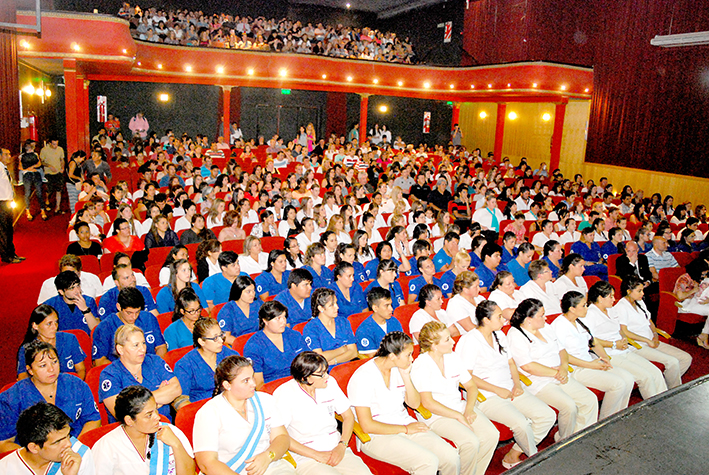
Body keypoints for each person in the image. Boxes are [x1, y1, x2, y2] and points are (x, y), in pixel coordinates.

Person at [456, 301, 555, 469]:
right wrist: (497, 390)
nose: (504, 320)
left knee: (547, 415)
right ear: (486, 320)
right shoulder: (470, 340)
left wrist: (517, 384)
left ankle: (514, 453)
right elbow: (466, 377)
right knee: (521, 424)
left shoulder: (500, 335)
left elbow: (511, 363)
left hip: (509, 388)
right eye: (499, 317)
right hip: (486, 395)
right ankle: (535, 460)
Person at [348, 332, 460, 475]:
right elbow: (367, 425)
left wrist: (406, 376)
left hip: (404, 423)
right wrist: (405, 429)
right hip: (377, 435)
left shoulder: (399, 368)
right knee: (428, 461)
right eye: (408, 355)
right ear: (393, 356)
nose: (412, 359)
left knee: (451, 456)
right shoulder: (363, 377)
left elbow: (414, 404)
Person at [411, 321, 499, 475]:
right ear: (433, 345)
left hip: (459, 407)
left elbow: (471, 387)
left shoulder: (453, 357)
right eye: (447, 340)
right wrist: (458, 415)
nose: (453, 341)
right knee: (470, 442)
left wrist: (469, 409)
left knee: (491, 435)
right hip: (436, 416)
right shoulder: (421, 365)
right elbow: (428, 403)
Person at [507, 298, 599, 440]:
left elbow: (562, 350)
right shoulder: (516, 334)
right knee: (568, 406)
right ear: (529, 319)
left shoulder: (546, 327)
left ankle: (580, 435)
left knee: (589, 399)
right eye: (541, 315)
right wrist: (556, 373)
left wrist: (563, 367)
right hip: (538, 381)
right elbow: (528, 366)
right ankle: (564, 439)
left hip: (559, 374)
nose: (545, 318)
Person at [193, 355, 295, 475]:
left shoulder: (265, 400)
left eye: (252, 377)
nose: (253, 383)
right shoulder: (209, 413)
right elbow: (207, 463)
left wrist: (268, 456)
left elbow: (282, 437)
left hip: (269, 466)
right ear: (227, 385)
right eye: (246, 380)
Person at [274, 351, 373, 474]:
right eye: (321, 374)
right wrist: (316, 455)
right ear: (305, 378)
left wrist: (342, 445)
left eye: (326, 371)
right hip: (306, 456)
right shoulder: (284, 393)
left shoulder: (330, 383)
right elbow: (279, 435)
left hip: (336, 447)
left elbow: (348, 416)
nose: (327, 376)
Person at [0, 341, 101, 453]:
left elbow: (93, 420)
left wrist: (75, 447)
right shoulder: (11, 397)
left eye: (54, 362)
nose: (51, 369)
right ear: (30, 370)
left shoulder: (76, 384)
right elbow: (4, 443)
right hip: (36, 457)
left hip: (75, 448)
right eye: (43, 365)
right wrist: (39, 456)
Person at [551, 291, 634, 419]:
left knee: (628, 378)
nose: (587, 308)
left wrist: (606, 358)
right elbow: (563, 355)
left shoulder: (581, 321)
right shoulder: (559, 325)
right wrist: (590, 365)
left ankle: (618, 415)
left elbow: (594, 342)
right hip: (576, 368)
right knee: (618, 384)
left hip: (590, 362)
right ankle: (606, 419)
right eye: (584, 305)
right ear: (572, 309)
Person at [581, 281, 668, 399]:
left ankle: (664, 402)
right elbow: (591, 340)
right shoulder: (590, 314)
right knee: (645, 376)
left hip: (624, 348)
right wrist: (613, 344)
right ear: (600, 298)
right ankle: (653, 407)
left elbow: (620, 329)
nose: (614, 299)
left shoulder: (611, 309)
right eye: (610, 296)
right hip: (610, 353)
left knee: (655, 372)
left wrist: (623, 339)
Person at [92, 385, 194, 475]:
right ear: (129, 420)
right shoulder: (106, 446)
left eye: (156, 410)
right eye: (149, 415)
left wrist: (176, 444)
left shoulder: (171, 431)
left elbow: (190, 473)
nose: (157, 417)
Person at [615, 276, 692, 388]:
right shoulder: (621, 307)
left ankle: (666, 385)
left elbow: (649, 321)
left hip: (651, 340)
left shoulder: (639, 302)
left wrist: (655, 335)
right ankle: (671, 391)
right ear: (628, 291)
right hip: (638, 345)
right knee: (672, 362)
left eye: (642, 290)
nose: (642, 293)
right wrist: (647, 340)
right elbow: (624, 332)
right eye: (639, 291)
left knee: (686, 358)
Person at [99, 325, 184, 423]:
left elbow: (176, 389)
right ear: (120, 349)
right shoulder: (109, 374)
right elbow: (121, 412)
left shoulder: (155, 361)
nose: (143, 349)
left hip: (164, 425)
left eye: (143, 343)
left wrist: (137, 403)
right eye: (136, 345)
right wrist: (157, 399)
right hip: (131, 433)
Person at [0, 402, 95, 475]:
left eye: (67, 435)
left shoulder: (79, 454)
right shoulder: (5, 469)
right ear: (34, 447)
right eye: (57, 442)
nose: (68, 444)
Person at [92, 287, 167, 365]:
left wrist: (154, 366)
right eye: (129, 313)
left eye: (137, 312)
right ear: (119, 307)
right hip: (120, 372)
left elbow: (161, 347)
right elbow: (100, 361)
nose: (134, 317)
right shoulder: (104, 327)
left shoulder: (148, 318)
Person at [243, 300, 308, 387]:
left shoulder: (294, 335)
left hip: (300, 383)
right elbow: (258, 384)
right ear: (265, 321)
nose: (283, 322)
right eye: (278, 318)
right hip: (273, 387)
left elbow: (309, 364)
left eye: (284, 317)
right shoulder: (254, 346)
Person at [174, 317, 239, 403]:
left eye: (221, 335)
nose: (221, 341)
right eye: (215, 338)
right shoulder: (185, 365)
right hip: (202, 407)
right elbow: (181, 399)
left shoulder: (230, 355)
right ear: (202, 342)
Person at [17, 304, 86, 380]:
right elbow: (23, 377)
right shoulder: (27, 348)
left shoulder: (69, 339)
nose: (55, 327)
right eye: (49, 324)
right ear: (35, 326)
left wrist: (75, 386)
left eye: (56, 322)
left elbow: (81, 369)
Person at [304, 288, 358, 365]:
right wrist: (342, 350)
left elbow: (353, 352)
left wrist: (334, 361)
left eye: (336, 303)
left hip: (347, 366)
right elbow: (318, 358)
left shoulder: (343, 322)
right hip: (325, 371)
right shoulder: (311, 328)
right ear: (321, 308)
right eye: (331, 305)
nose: (337, 307)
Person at [42, 271, 100, 335]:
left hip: (86, 342)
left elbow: (96, 329)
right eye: (72, 288)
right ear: (61, 292)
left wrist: (85, 310)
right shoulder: (50, 305)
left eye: (78, 286)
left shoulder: (89, 301)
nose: (77, 291)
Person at [354, 287, 404, 355]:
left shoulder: (394, 321)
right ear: (375, 308)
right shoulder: (364, 330)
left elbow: (404, 346)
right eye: (386, 305)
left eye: (391, 305)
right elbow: (372, 357)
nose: (391, 309)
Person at [0, 148, 24, 263]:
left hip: (7, 202)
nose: (9, 156)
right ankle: (6, 256)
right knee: (3, 231)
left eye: (9, 154)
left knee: (9, 229)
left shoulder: (4, 168)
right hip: (1, 203)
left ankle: (12, 253)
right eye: (6, 154)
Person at [40, 138, 66, 215]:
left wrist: (62, 168)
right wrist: (49, 166)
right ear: (50, 143)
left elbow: (62, 159)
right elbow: (41, 162)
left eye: (57, 144)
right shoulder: (44, 150)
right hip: (48, 173)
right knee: (49, 190)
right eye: (54, 144)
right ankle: (47, 200)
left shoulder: (60, 149)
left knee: (59, 190)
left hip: (58, 172)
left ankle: (57, 207)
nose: (55, 146)